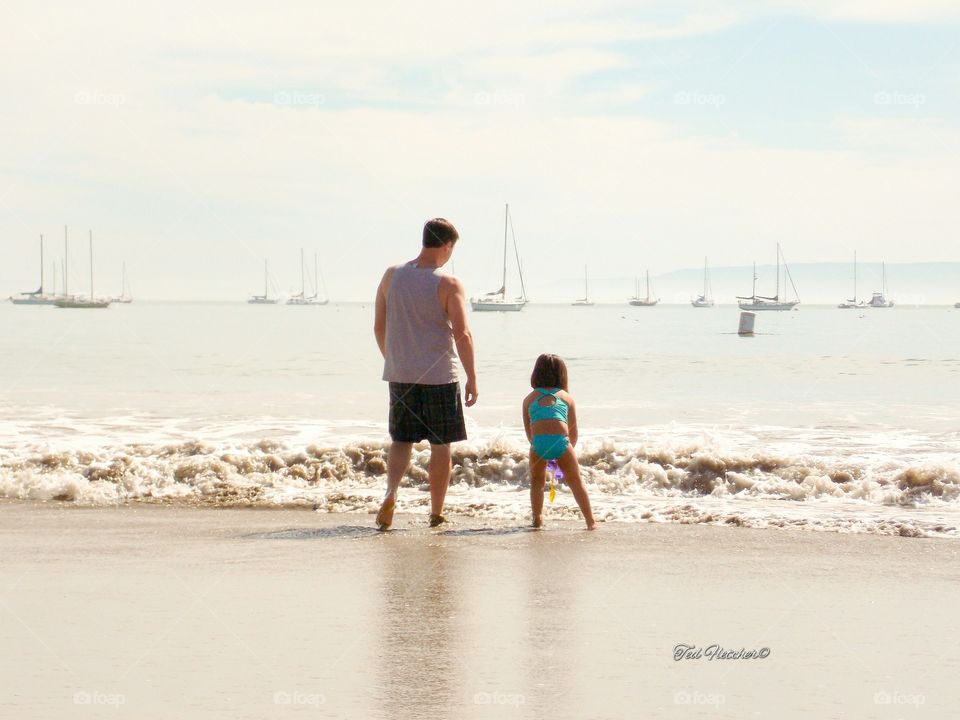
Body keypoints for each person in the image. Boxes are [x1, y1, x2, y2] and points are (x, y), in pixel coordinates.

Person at [373, 217, 478, 530]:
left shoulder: (391, 275)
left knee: (401, 440)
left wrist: (395, 359)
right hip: (439, 376)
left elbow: (379, 326)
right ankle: (436, 512)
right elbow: (462, 334)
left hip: (400, 373)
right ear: (446, 245)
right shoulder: (449, 283)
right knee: (440, 445)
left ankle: (391, 493)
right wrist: (472, 377)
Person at [522, 354, 596, 530]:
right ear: (562, 375)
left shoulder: (529, 399)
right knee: (575, 481)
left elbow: (529, 433)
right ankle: (590, 521)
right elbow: (573, 433)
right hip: (561, 443)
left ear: (536, 374)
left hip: (538, 443)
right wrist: (565, 452)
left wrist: (539, 446)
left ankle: (537, 518)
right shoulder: (566, 397)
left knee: (537, 482)